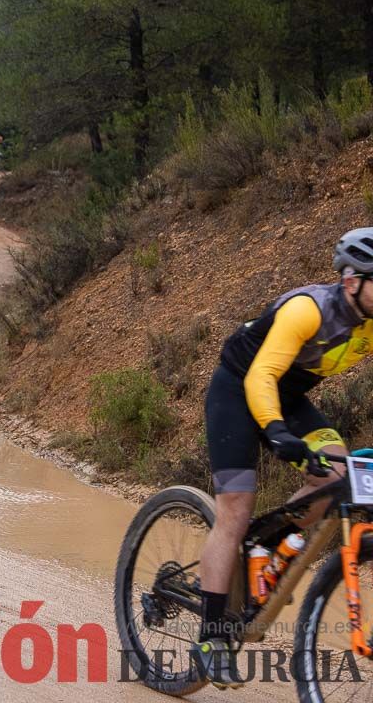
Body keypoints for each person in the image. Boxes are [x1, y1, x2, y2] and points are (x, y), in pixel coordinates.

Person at [193, 229, 373, 686]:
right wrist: (274, 432)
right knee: (235, 510)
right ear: (352, 281)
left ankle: (269, 544)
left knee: (338, 471)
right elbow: (262, 376)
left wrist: (284, 423)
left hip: (290, 397)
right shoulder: (307, 310)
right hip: (239, 389)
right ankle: (212, 636)